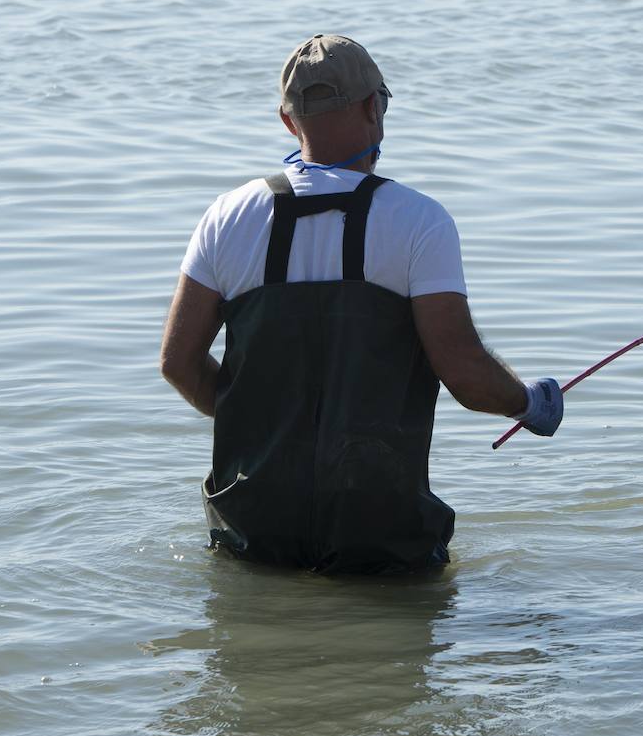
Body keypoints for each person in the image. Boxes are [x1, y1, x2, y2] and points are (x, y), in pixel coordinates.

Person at [161, 34, 563, 573]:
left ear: (288, 122)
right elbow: (464, 373)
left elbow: (178, 363)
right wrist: (527, 402)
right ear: (375, 108)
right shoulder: (420, 221)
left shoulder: (227, 216)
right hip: (380, 533)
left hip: (256, 527)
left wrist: (260, 423)